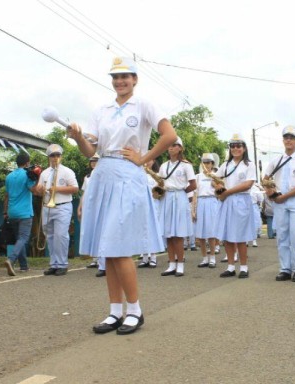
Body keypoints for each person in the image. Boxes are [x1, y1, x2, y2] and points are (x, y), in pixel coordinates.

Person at [68, 56, 177, 335]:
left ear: (135, 79)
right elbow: (90, 151)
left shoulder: (144, 105)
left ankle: (135, 310)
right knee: (107, 248)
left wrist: (144, 159)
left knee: (119, 246)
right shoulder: (101, 110)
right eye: (115, 77)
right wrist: (78, 136)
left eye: (125, 76)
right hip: (103, 175)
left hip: (129, 177)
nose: (120, 82)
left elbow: (169, 135)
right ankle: (115, 311)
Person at [263, 126, 295, 283]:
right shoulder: (276, 160)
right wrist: (271, 193)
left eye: (292, 137)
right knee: (282, 235)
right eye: (286, 137)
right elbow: (266, 178)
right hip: (279, 201)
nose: (288, 140)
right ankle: (285, 268)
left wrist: (285, 196)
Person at [214, 133, 256, 278]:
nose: (235, 148)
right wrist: (218, 186)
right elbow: (216, 179)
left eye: (238, 146)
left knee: (240, 235)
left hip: (241, 200)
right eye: (232, 146)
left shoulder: (249, 164)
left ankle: (244, 267)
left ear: (244, 148)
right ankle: (231, 266)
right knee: (227, 235)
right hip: (227, 201)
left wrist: (227, 192)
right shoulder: (225, 165)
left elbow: (248, 184)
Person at [34, 144, 79, 276]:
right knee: (50, 236)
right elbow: (38, 190)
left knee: (61, 235)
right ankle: (54, 264)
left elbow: (75, 188)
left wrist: (57, 189)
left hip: (63, 206)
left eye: (58, 155)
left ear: (61, 156)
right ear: (49, 157)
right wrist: (40, 189)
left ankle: (62, 264)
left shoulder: (67, 171)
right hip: (47, 206)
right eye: (53, 155)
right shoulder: (45, 173)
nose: (55, 158)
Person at [159, 137, 197, 277]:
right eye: (170, 145)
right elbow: (161, 182)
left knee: (178, 233)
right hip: (167, 197)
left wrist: (182, 192)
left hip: (179, 196)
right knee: (168, 233)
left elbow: (193, 184)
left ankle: (180, 264)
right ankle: (171, 264)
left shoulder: (186, 165)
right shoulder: (164, 166)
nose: (171, 147)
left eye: (175, 145)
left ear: (180, 148)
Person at [3, 152, 37, 276]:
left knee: (19, 239)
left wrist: (5, 211)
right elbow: (34, 190)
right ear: (27, 163)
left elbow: (6, 196)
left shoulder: (9, 176)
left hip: (12, 213)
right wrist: (36, 179)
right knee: (23, 238)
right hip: (24, 213)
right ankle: (11, 259)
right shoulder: (27, 175)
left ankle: (24, 266)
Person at [78, 154, 105, 277]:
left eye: (95, 160)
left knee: (102, 234)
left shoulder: (103, 173)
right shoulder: (88, 176)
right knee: (93, 233)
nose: (93, 162)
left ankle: (104, 264)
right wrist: (80, 207)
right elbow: (85, 193)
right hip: (90, 206)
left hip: (101, 206)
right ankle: (98, 261)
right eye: (91, 161)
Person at [192, 153, 220, 268]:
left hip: (212, 201)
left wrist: (214, 180)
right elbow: (195, 193)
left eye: (209, 163)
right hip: (201, 202)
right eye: (204, 162)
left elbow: (219, 189)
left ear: (212, 164)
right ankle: (204, 258)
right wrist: (193, 209)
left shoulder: (215, 175)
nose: (206, 165)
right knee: (201, 233)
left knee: (211, 232)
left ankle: (212, 257)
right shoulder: (197, 177)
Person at [138, 158, 162, 269]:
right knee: (142, 230)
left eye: (150, 160)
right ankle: (144, 258)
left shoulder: (157, 175)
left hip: (154, 204)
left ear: (153, 161)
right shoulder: (139, 173)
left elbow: (161, 189)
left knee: (152, 230)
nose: (147, 162)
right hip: (142, 205)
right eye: (145, 160)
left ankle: (153, 257)